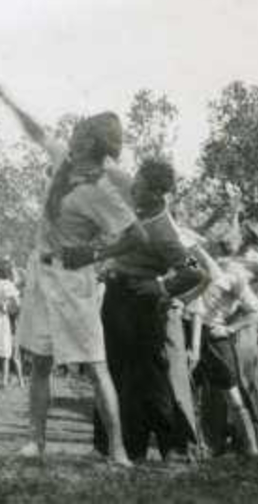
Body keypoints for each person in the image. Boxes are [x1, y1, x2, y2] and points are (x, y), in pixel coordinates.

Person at [0, 84, 137, 465]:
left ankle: (118, 450)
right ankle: (35, 442)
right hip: (41, 273)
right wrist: (9, 100)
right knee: (39, 361)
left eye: (79, 132)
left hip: (75, 282)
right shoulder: (62, 161)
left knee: (94, 364)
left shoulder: (103, 192)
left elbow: (133, 236)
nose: (70, 135)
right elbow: (37, 131)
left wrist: (95, 252)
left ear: (93, 143)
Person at [100, 157, 191, 463]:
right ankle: (126, 446)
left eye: (140, 188)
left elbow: (194, 273)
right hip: (116, 298)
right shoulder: (136, 205)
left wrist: (162, 288)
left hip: (141, 305)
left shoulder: (165, 231)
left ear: (158, 194)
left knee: (151, 378)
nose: (134, 189)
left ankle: (174, 447)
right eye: (135, 183)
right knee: (116, 371)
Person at [188, 242, 258, 457]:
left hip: (214, 335)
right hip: (190, 329)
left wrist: (229, 329)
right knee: (196, 392)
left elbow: (257, 311)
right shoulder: (195, 265)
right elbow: (188, 256)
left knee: (231, 392)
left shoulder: (236, 277)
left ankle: (251, 447)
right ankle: (205, 444)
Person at [0, 260, 22, 388]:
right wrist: (6, 307)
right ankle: (4, 379)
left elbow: (14, 303)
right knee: (4, 350)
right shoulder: (7, 285)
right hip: (1, 319)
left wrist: (5, 306)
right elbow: (16, 303)